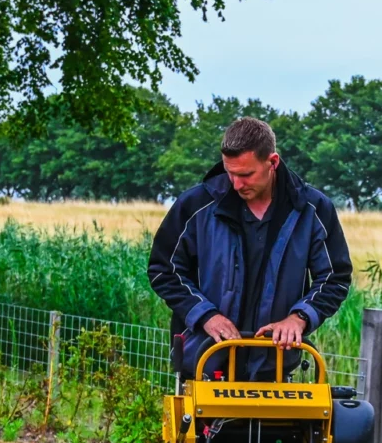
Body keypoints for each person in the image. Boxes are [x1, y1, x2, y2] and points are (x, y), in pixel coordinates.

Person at [148, 117, 352, 380]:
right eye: (229, 172)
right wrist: (206, 315)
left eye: (246, 175)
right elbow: (164, 270)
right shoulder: (195, 205)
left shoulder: (313, 210)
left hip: (275, 367)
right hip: (204, 362)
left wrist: (299, 318)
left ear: (273, 162)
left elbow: (335, 277)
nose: (236, 184)